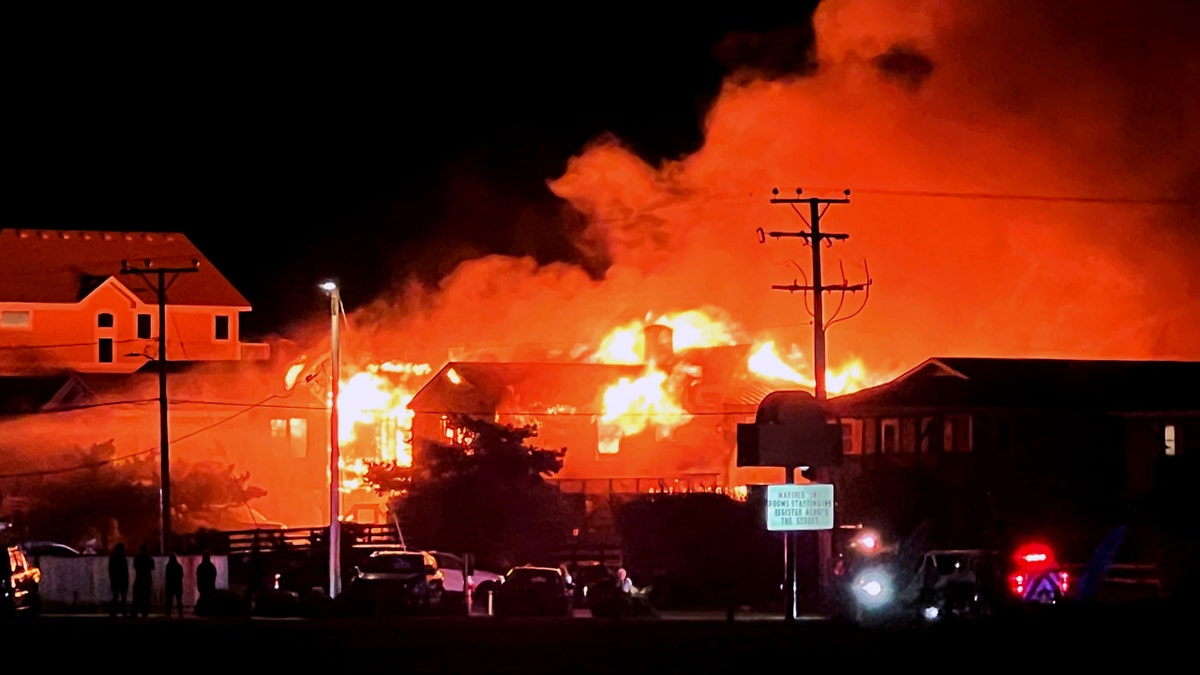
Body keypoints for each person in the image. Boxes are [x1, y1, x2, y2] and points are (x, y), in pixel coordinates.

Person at [132, 543, 155, 618]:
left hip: (139, 578)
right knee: (146, 597)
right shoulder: (149, 558)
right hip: (147, 579)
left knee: (137, 597)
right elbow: (153, 568)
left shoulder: (137, 557)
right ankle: (145, 612)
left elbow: (135, 566)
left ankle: (135, 612)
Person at [107, 542, 129, 618]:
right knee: (123, 597)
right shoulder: (123, 557)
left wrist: (112, 578)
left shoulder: (113, 557)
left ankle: (113, 612)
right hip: (122, 580)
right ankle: (123, 612)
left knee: (115, 596)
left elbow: (110, 569)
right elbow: (125, 571)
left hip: (116, 580)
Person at [196, 551, 217, 615]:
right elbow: (214, 576)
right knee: (209, 600)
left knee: (203, 599)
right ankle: (210, 612)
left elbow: (199, 576)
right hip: (210, 586)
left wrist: (199, 586)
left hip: (203, 587)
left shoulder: (200, 566)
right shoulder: (211, 566)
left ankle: (203, 612)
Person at [165, 553, 184, 618]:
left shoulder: (168, 566)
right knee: (179, 600)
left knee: (169, 600)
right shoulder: (179, 566)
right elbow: (181, 575)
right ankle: (180, 614)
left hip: (170, 585)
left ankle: (168, 613)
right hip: (178, 585)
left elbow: (167, 577)